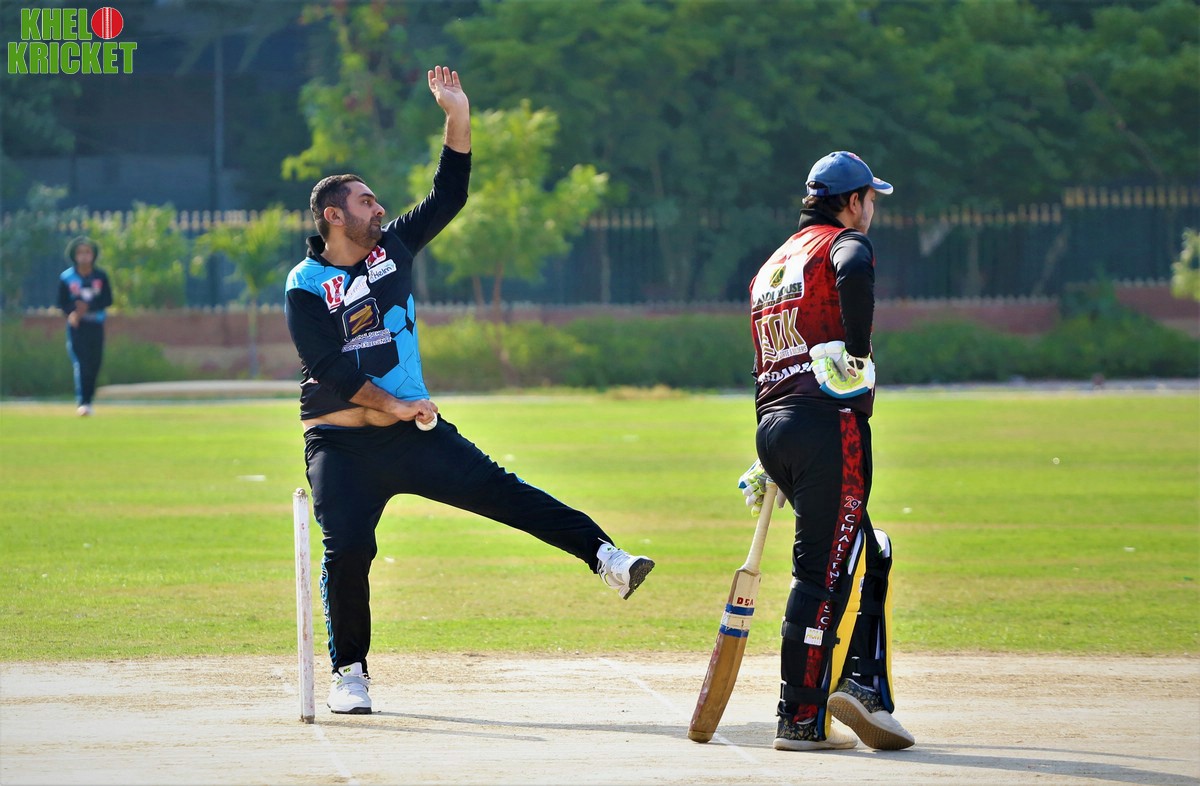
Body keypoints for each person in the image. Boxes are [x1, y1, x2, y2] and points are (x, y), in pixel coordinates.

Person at [283, 66, 655, 715]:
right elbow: (328, 368)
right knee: (349, 548)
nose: (379, 208)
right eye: (367, 202)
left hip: (412, 436)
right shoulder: (305, 284)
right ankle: (350, 675)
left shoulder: (392, 250)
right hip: (339, 446)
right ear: (333, 215)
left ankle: (606, 557)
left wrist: (457, 115)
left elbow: (448, 193)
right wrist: (395, 403)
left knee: (503, 492)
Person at [737, 151, 915, 752]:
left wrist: (774, 449)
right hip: (827, 425)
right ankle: (803, 717)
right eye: (871, 200)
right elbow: (855, 265)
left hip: (775, 425)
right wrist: (858, 348)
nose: (872, 212)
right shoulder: (843, 244)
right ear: (852, 201)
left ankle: (856, 685)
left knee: (867, 549)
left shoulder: (772, 264)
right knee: (824, 573)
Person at [57, 236, 113, 416]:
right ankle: (83, 402)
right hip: (77, 326)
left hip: (96, 324)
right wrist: (74, 311)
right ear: (74, 255)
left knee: (95, 363)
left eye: (87, 252)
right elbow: (62, 303)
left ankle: (89, 399)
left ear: (93, 255)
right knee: (82, 363)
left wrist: (89, 307)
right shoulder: (67, 277)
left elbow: (107, 300)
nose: (84, 256)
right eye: (80, 252)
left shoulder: (100, 276)